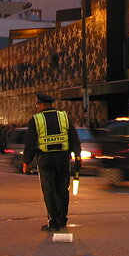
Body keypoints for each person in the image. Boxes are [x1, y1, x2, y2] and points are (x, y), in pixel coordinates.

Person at [22, 93, 81, 232]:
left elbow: (30, 143)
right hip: (62, 158)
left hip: (45, 159)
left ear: (42, 105)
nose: (37, 107)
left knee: (49, 190)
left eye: (38, 105)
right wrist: (78, 156)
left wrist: (26, 162)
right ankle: (62, 220)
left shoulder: (36, 120)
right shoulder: (64, 117)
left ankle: (53, 221)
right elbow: (74, 138)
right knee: (62, 189)